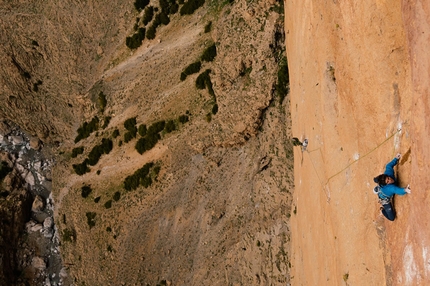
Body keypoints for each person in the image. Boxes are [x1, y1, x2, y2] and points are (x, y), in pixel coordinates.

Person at [373, 153, 411, 221]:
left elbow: (389, 166)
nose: (390, 180)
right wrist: (405, 190)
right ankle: (382, 210)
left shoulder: (388, 173)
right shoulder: (389, 188)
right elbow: (396, 190)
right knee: (392, 218)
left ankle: (376, 180)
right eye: (388, 181)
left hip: (383, 188)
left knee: (377, 179)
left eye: (388, 178)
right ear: (386, 184)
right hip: (384, 199)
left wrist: (396, 158)